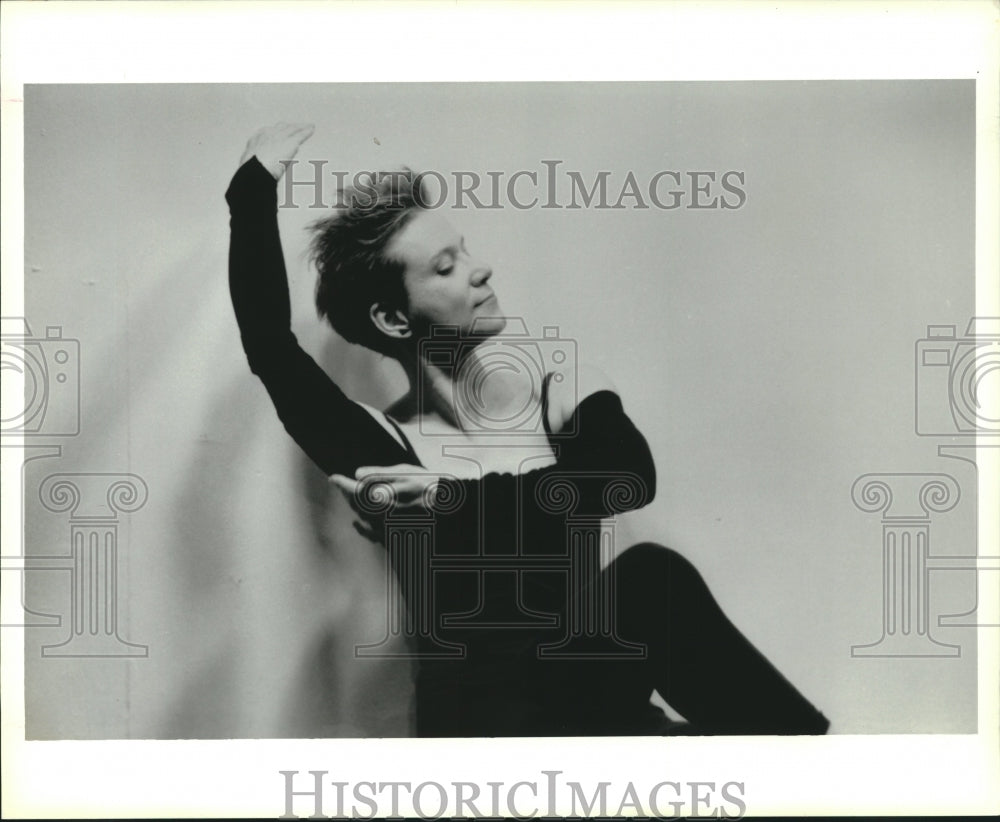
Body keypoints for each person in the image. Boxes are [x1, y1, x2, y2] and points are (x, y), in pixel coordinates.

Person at [226, 123, 830, 737]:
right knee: (652, 581)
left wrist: (450, 498)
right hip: (487, 729)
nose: (481, 270)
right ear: (392, 318)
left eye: (465, 251)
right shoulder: (382, 445)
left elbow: (627, 478)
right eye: (445, 267)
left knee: (672, 618)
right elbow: (271, 349)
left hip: (595, 706)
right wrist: (251, 190)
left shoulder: (557, 388)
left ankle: (815, 759)